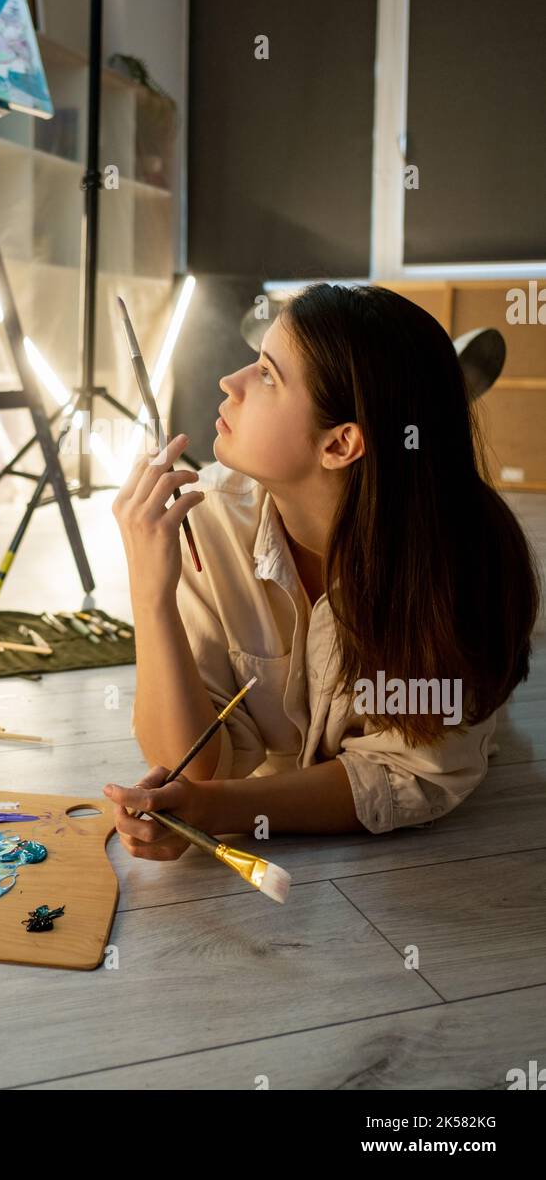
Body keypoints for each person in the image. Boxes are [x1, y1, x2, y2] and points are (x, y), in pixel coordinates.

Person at [104, 283, 541, 856]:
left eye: (266, 375)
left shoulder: (462, 569)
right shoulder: (205, 520)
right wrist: (150, 595)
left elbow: (410, 773)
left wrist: (214, 811)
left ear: (339, 444)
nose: (228, 382)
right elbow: (191, 765)